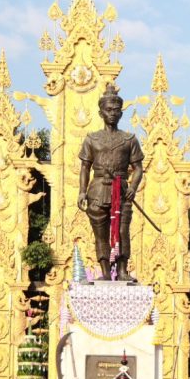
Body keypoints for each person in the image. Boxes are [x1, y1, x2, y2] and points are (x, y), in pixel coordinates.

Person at [78, 83, 144, 281]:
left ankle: (122, 270)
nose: (112, 113)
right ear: (101, 113)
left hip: (121, 190)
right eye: (108, 110)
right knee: (101, 232)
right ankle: (105, 271)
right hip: (98, 189)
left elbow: (138, 168)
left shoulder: (129, 139)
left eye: (116, 110)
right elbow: (85, 167)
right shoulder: (92, 139)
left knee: (122, 230)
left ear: (121, 113)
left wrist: (133, 187)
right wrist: (82, 191)